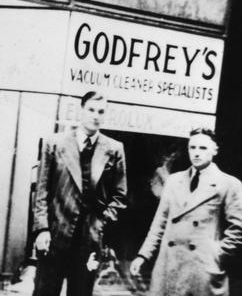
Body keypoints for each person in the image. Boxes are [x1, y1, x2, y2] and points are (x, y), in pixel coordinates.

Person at [32, 91, 127, 296]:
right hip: (55, 236)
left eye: (101, 112)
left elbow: (120, 197)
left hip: (89, 241)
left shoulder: (114, 149)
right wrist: (42, 229)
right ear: (81, 111)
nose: (96, 116)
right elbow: (41, 191)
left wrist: (101, 224)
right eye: (91, 110)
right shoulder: (54, 143)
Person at [130, 127, 242, 296]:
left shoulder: (229, 184)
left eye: (203, 148)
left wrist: (216, 255)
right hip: (168, 266)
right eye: (193, 147)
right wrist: (143, 255)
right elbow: (159, 223)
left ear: (215, 150)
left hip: (201, 270)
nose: (196, 153)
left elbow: (238, 229)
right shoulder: (174, 181)